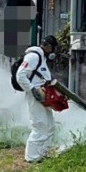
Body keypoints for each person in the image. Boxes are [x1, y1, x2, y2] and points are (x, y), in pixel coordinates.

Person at [15, 34, 59, 163]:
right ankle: (32, 158)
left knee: (49, 125)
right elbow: (20, 75)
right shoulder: (33, 56)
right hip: (35, 95)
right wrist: (32, 89)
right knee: (39, 125)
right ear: (48, 47)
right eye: (53, 48)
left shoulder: (41, 58)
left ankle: (43, 153)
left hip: (43, 95)